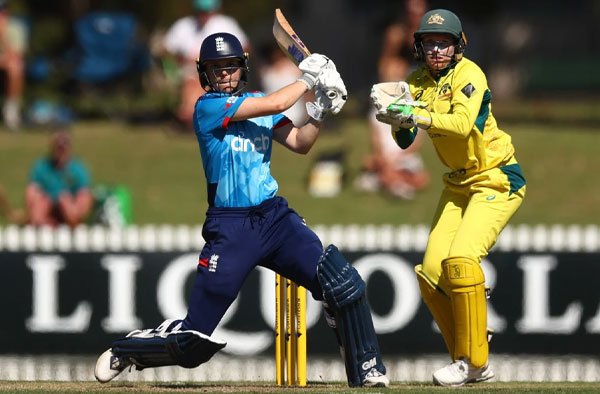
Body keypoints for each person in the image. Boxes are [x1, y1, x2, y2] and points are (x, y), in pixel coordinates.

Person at [94, 32, 390, 388]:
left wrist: (321, 109)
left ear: (242, 68)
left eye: (230, 66)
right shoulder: (207, 108)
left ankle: (367, 371)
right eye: (215, 68)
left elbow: (300, 143)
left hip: (274, 218)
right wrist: (309, 79)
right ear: (204, 73)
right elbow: (276, 104)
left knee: (342, 284)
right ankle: (129, 349)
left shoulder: (260, 102)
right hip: (231, 228)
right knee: (193, 343)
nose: (223, 74)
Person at [370, 9, 526, 386]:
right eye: (430, 43)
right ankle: (470, 353)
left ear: (458, 47)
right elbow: (405, 140)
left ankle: (473, 362)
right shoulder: (416, 81)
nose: (437, 50)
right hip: (458, 184)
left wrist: (416, 115)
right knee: (432, 273)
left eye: (444, 43)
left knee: (461, 259)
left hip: (495, 178)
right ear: (419, 47)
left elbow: (459, 125)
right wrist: (393, 116)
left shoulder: (469, 74)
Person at [162, 0, 249, 129]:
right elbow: (166, 49)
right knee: (193, 78)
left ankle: (190, 114)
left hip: (218, 69)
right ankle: (194, 114)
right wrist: (180, 60)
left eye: (207, 12)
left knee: (199, 80)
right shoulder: (184, 25)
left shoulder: (226, 24)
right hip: (189, 69)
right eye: (201, 12)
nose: (204, 15)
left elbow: (246, 47)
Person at [355, 56, 429, 199]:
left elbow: (417, 141)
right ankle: (398, 185)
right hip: (384, 156)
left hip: (405, 155)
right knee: (380, 164)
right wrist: (385, 157)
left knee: (422, 180)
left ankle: (381, 179)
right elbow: (375, 139)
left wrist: (397, 157)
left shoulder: (412, 106)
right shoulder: (378, 108)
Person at [25, 130, 93, 227]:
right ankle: (42, 224)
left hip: (69, 209)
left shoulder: (78, 169)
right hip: (47, 208)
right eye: (58, 147)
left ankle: (72, 224)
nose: (61, 151)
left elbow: (84, 195)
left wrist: (72, 207)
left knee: (65, 202)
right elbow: (31, 191)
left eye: (64, 147)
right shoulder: (41, 167)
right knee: (42, 203)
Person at [0, 0, 27, 130]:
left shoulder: (16, 27)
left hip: (7, 62)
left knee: (15, 68)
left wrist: (2, 35)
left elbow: (16, 54)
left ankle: (11, 112)